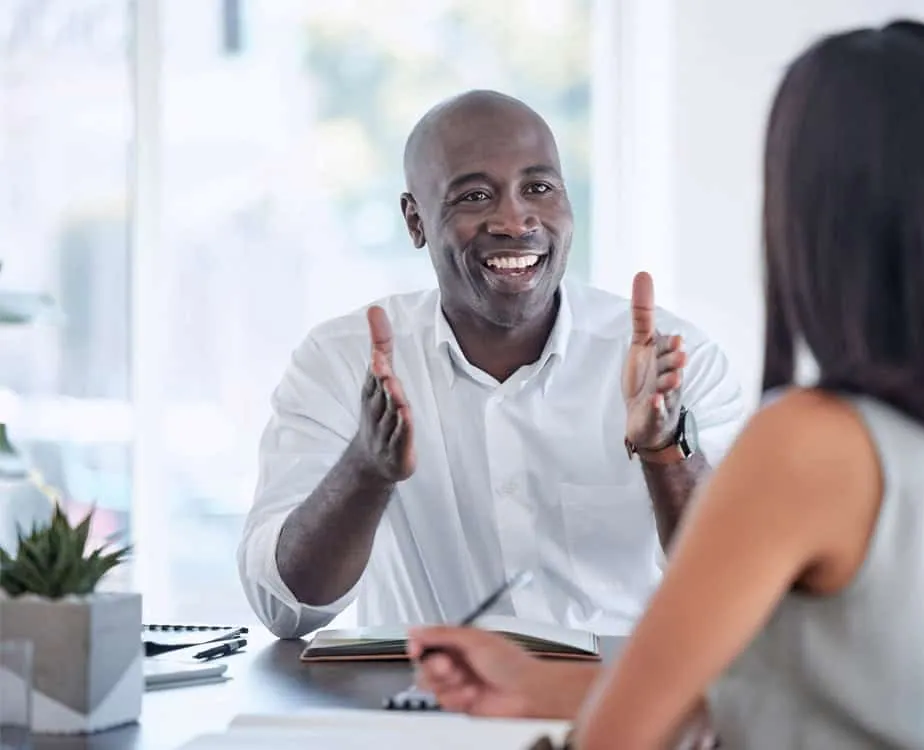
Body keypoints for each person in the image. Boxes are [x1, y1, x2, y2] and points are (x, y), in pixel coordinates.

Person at [409, 20, 924, 749]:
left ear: (812, 216)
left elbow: (614, 743)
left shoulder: (811, 444)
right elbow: (841, 700)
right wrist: (543, 685)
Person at [237, 90, 747, 641]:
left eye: (539, 188)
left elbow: (739, 585)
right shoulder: (341, 362)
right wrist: (366, 468)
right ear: (416, 220)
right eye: (475, 196)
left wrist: (665, 449)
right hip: (423, 710)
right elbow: (286, 607)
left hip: (619, 704)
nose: (513, 220)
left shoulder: (673, 361)